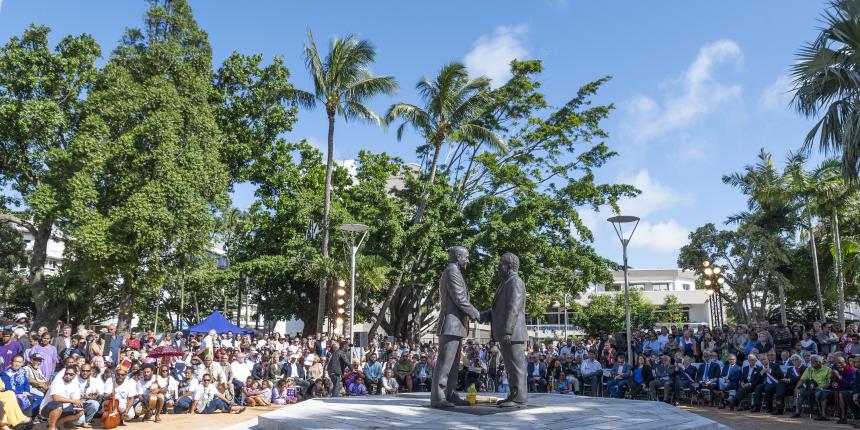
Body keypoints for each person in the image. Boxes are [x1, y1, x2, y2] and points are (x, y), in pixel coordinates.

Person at [431, 246, 481, 408]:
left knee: (453, 364)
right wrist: (475, 313)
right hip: (450, 324)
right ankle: (438, 396)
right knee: (445, 364)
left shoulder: (455, 272)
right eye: (465, 257)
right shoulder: (451, 272)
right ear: (458, 257)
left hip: (457, 325)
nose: (467, 260)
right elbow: (459, 298)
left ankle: (450, 394)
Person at [480, 252, 527, 408]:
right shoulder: (505, 283)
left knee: (516, 367)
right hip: (507, 334)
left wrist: (507, 331)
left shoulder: (516, 282)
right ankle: (513, 395)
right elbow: (498, 310)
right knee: (510, 367)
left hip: (513, 333)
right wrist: (482, 315)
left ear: (509, 266)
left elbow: (513, 309)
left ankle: (519, 397)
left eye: (501, 264)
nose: (498, 267)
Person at [40, 365, 83, 430]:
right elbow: (56, 398)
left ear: (75, 375)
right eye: (66, 373)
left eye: (71, 374)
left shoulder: (75, 384)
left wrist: (78, 404)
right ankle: (51, 427)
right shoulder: (58, 381)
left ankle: (57, 424)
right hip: (47, 409)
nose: (68, 375)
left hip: (64, 408)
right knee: (58, 405)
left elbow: (76, 399)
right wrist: (73, 401)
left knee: (80, 412)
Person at [792, 355, 834, 421]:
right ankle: (797, 412)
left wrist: (821, 388)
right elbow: (802, 379)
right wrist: (796, 387)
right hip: (810, 388)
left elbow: (830, 383)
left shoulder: (828, 369)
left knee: (819, 394)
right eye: (811, 362)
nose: (813, 363)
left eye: (815, 361)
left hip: (821, 389)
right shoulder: (809, 369)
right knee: (799, 391)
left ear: (820, 362)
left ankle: (822, 414)